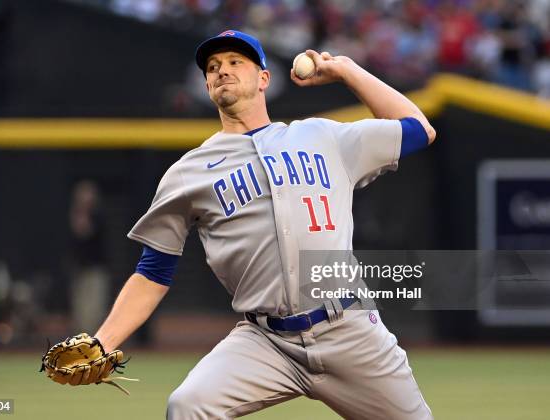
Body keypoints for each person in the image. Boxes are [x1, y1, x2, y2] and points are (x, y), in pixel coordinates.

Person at [94, 30, 435, 419]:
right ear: (207, 85)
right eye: (213, 67)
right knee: (188, 406)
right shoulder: (187, 173)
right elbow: (153, 271)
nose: (223, 70)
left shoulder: (322, 136)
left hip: (349, 330)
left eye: (236, 62)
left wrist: (347, 70)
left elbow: (418, 129)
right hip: (265, 340)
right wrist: (104, 341)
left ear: (264, 79)